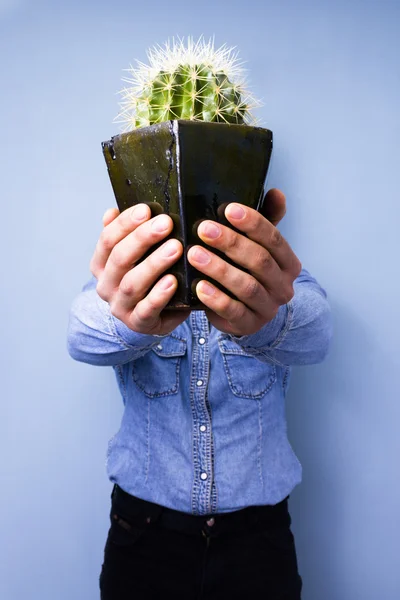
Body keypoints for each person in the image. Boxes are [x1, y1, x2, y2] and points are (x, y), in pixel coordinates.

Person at [67, 188, 333, 600]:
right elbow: (82, 335)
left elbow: (317, 333)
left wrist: (260, 320)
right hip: (143, 536)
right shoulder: (128, 281)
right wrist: (133, 321)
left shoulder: (274, 279)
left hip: (259, 541)